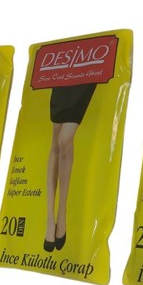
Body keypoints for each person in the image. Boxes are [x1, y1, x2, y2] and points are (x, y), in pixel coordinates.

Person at [44, 83, 96, 252]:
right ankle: (50, 218)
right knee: (56, 139)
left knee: (64, 139)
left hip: (86, 74)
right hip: (64, 73)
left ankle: (62, 211)